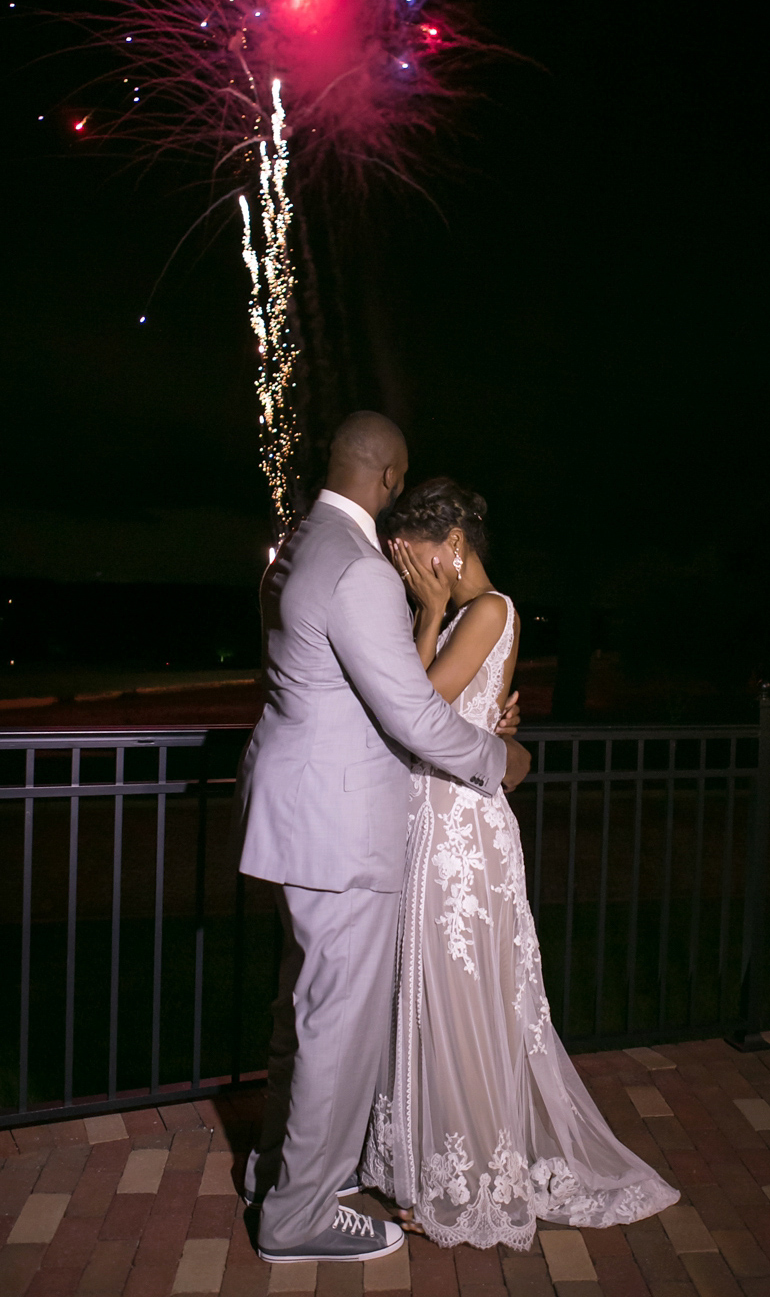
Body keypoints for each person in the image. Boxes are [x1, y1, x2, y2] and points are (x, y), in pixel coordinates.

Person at [234, 415, 532, 1265]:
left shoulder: (296, 547)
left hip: (299, 813)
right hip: (343, 826)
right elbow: (408, 712)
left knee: (302, 1012)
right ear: (392, 477)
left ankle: (275, 1173)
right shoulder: (359, 568)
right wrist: (497, 757)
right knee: (337, 1027)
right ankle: (300, 1216)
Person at [361, 477, 680, 1250]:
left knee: (467, 1002)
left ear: (454, 545)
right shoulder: (463, 613)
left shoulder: (490, 609)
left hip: (463, 832)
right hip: (436, 823)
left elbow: (416, 707)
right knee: (435, 995)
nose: (407, 566)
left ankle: (471, 1182)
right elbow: (433, 709)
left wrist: (429, 613)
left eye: (415, 553)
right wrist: (428, 615)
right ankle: (429, 1160)